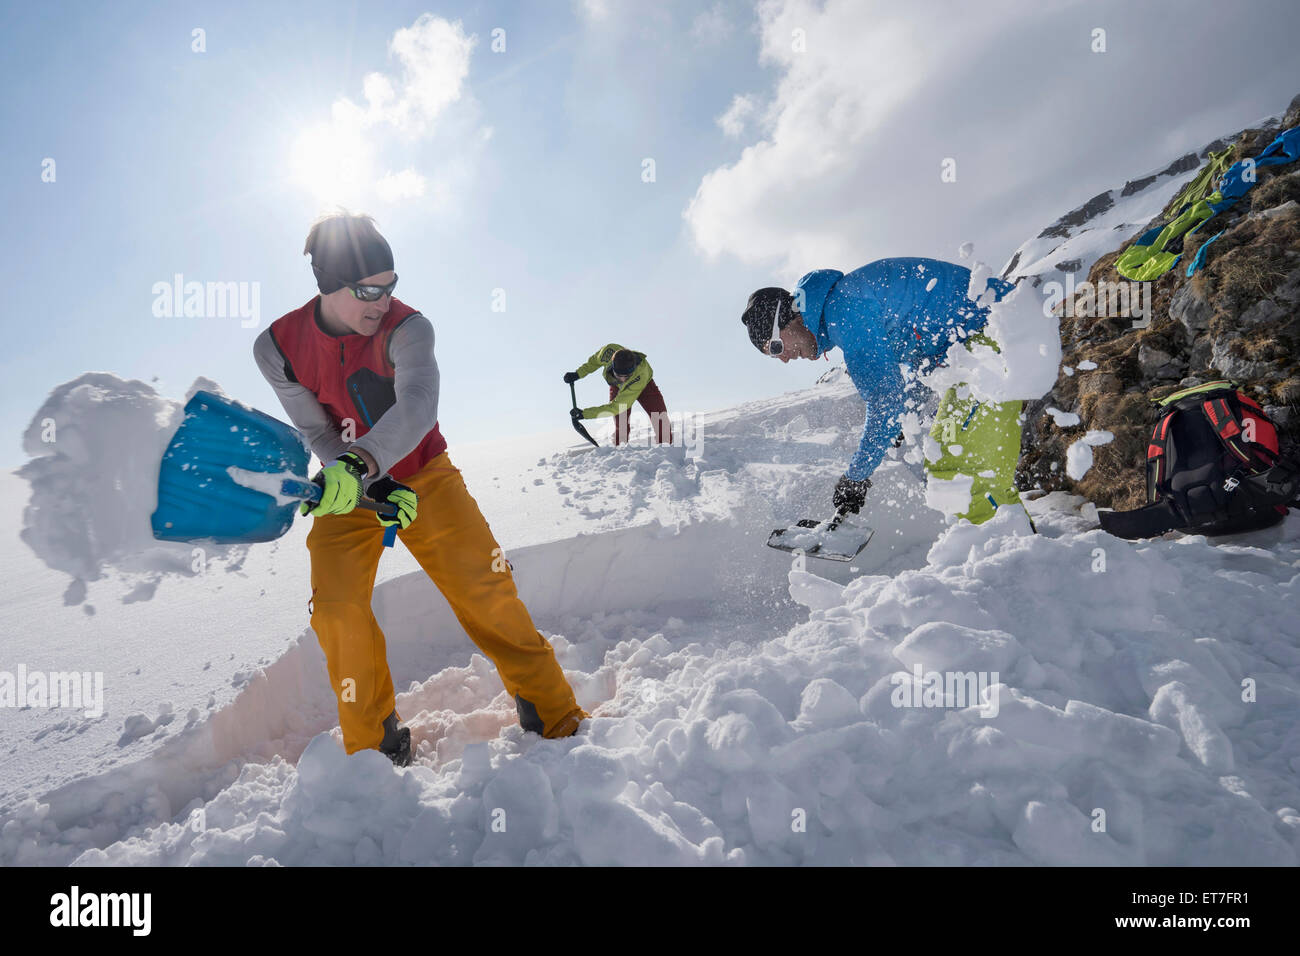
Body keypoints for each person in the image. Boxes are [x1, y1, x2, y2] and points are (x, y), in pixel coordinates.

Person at [253, 213, 587, 766]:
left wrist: (364, 465)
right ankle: (374, 750)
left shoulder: (410, 329)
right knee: (336, 610)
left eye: (390, 286)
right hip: (347, 488)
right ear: (329, 286)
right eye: (368, 290)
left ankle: (555, 714)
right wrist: (354, 479)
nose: (383, 301)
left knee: (487, 587)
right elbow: (315, 428)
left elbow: (416, 406)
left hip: (423, 474)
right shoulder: (277, 348)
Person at [740, 257, 1026, 525]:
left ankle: (1005, 559)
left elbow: (886, 398)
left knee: (953, 468)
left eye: (776, 348)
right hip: (987, 338)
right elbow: (921, 360)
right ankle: (1007, 544)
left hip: (997, 333)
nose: (785, 359)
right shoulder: (844, 303)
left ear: (790, 320)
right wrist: (905, 414)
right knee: (947, 462)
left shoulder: (844, 310)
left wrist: (856, 477)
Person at [564, 345, 672, 446]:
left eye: (627, 376)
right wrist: (578, 374)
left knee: (659, 417)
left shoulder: (639, 375)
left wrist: (584, 414)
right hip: (616, 386)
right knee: (621, 424)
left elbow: (615, 408)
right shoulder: (607, 352)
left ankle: (666, 449)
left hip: (644, 386)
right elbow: (593, 362)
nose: (623, 379)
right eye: (619, 375)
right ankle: (620, 451)